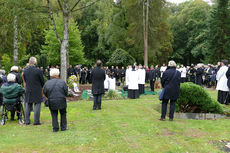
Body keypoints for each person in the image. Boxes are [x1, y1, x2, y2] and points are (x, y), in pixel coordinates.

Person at [23, 57, 45, 125]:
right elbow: (42, 81)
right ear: (35, 62)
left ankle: (27, 121)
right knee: (37, 104)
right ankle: (36, 121)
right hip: (37, 89)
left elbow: (25, 80)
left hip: (28, 88)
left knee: (28, 104)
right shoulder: (38, 70)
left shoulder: (25, 71)